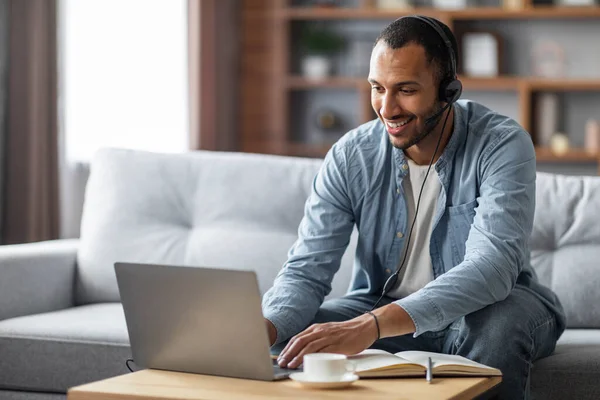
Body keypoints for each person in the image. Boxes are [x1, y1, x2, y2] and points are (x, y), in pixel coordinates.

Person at [261, 15, 565, 400]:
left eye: (405, 90)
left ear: (448, 90)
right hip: (380, 306)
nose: (387, 108)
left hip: (491, 307)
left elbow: (492, 267)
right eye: (377, 88)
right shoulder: (350, 156)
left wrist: (372, 325)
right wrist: (265, 328)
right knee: (290, 343)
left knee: (497, 332)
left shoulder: (501, 145)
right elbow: (306, 269)